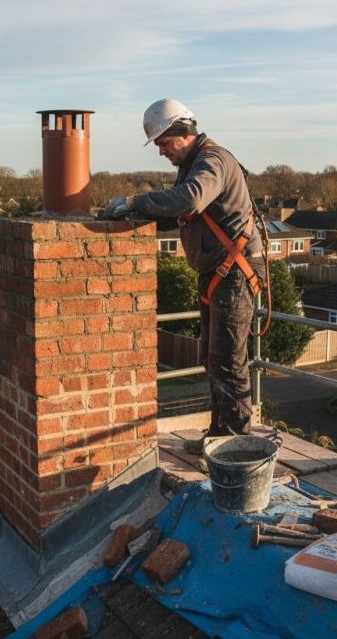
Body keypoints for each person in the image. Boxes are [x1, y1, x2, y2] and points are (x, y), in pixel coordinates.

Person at [102, 99, 265, 453]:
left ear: (181, 133)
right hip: (220, 273)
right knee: (213, 355)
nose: (161, 152)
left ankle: (235, 446)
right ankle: (220, 434)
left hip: (234, 274)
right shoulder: (195, 164)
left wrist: (133, 202)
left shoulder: (212, 161)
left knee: (228, 358)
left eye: (163, 143)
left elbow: (190, 200)